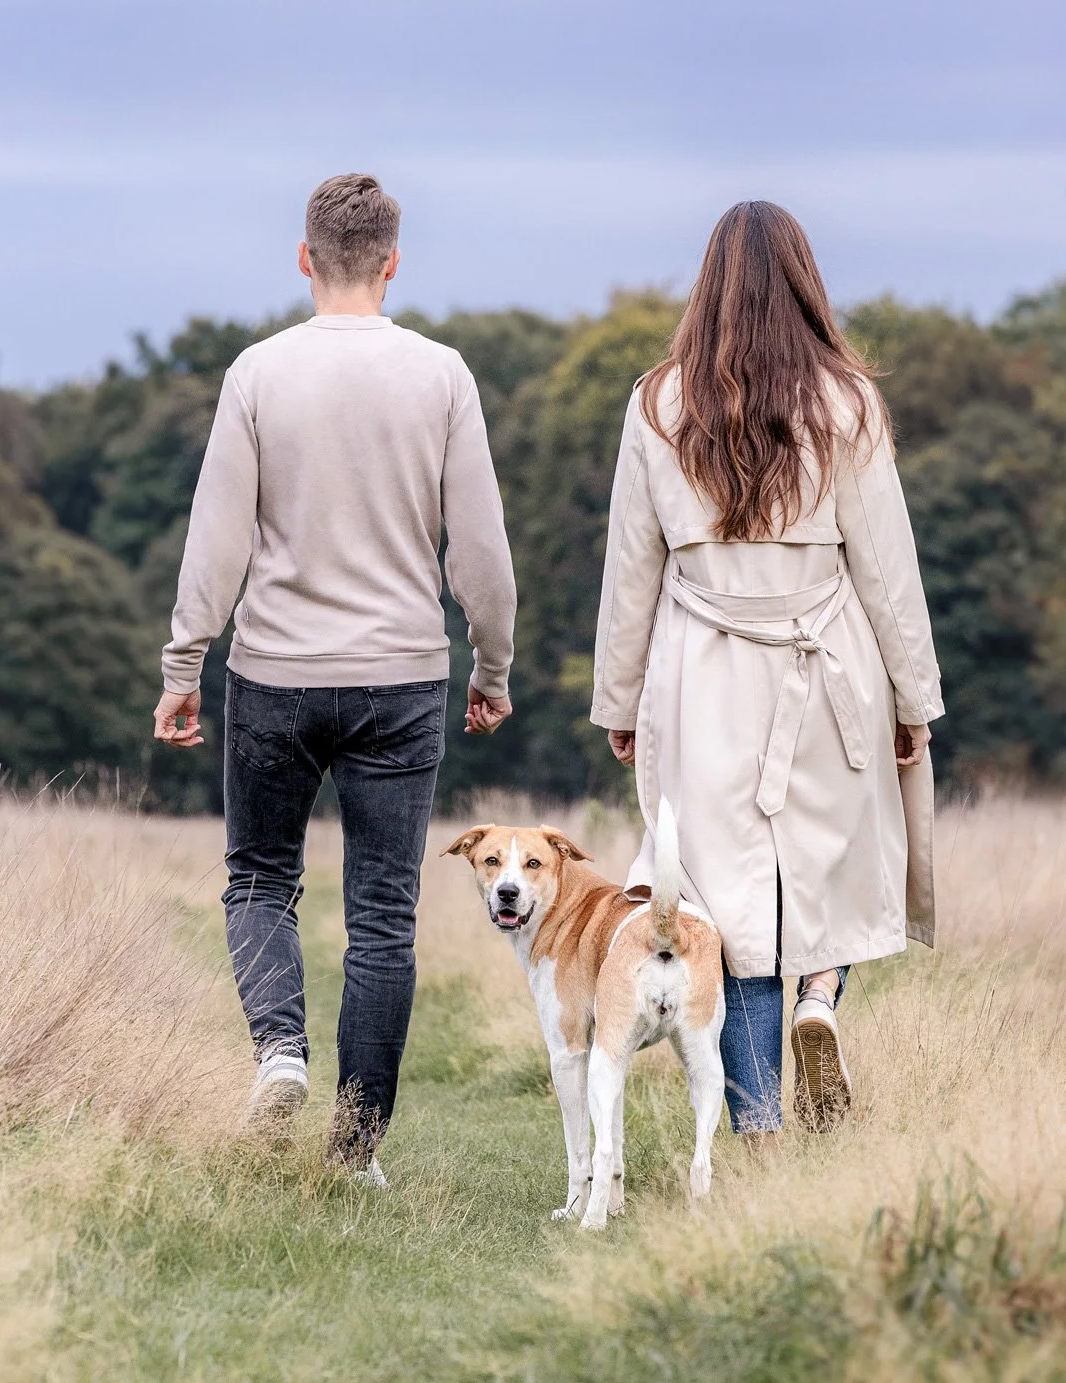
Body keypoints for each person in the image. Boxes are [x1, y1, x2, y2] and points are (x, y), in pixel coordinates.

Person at [154, 174, 516, 1181]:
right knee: (384, 914)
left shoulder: (257, 373)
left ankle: (279, 1050)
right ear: (394, 263)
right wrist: (493, 664)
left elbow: (216, 538)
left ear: (304, 258)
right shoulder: (443, 374)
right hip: (402, 677)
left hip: (274, 671)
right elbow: (479, 549)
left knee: (261, 875)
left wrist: (186, 663)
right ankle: (355, 1150)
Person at [590, 200, 940, 1145]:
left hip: (700, 679)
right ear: (804, 283)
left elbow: (633, 565)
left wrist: (620, 698)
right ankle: (820, 995)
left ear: (706, 287)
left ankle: (756, 1126)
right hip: (829, 663)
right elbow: (887, 566)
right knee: (832, 868)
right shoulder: (849, 403)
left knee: (728, 910)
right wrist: (915, 699)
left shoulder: (656, 402)